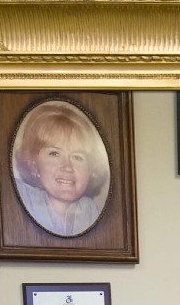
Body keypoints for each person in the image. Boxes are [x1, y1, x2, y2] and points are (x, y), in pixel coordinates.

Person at [12, 100, 110, 238]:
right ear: (34, 164)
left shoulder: (89, 211)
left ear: (91, 170)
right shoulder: (21, 195)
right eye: (55, 153)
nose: (67, 167)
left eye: (77, 157)